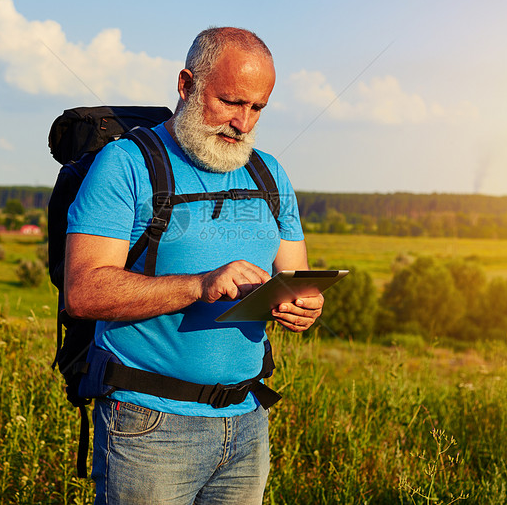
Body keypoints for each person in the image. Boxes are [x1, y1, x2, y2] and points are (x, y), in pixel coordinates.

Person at [64, 27, 324, 505]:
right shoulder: (126, 165)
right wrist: (199, 285)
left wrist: (303, 308)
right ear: (186, 84)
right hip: (149, 425)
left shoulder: (269, 173)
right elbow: (83, 292)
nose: (243, 123)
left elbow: (296, 282)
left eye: (257, 108)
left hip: (247, 421)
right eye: (230, 102)